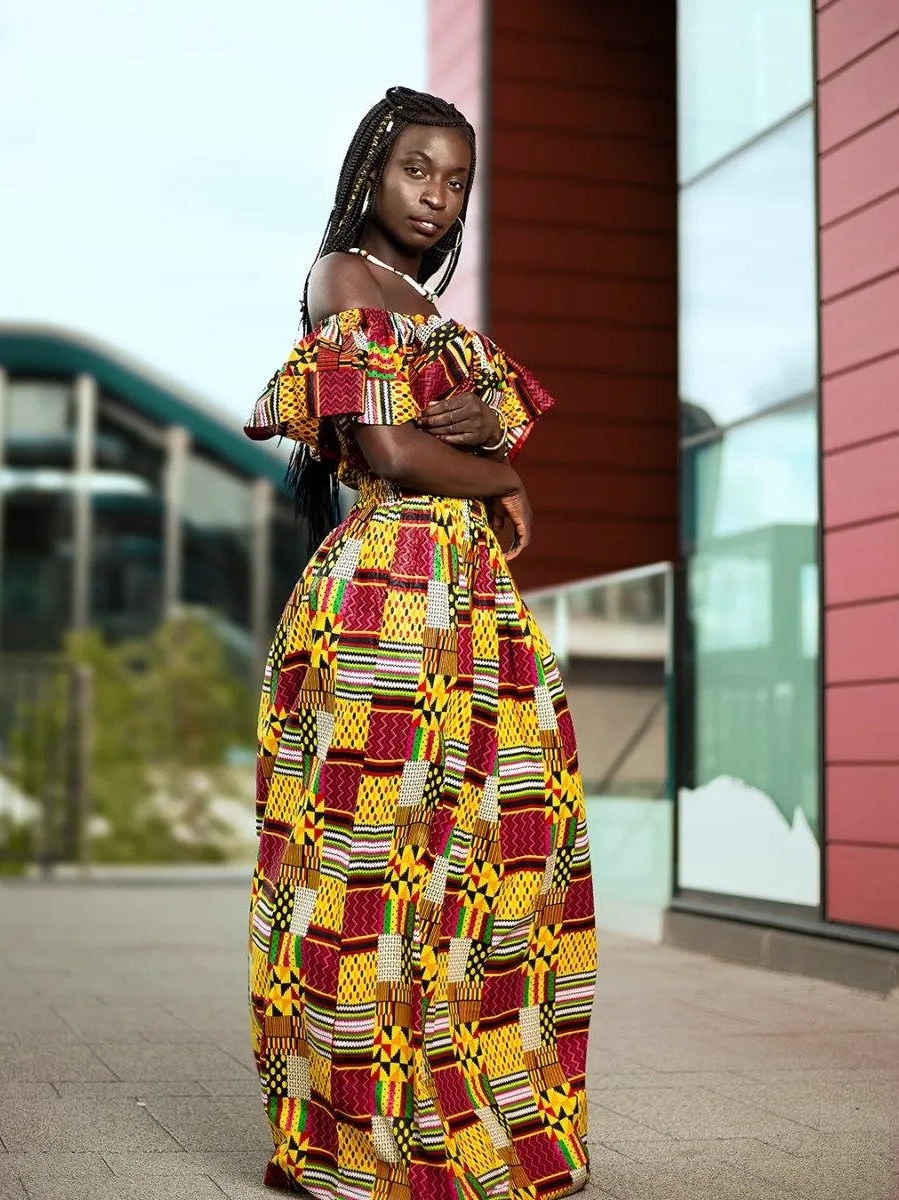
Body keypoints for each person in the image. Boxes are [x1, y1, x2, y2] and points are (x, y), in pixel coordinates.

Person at [244, 86, 595, 1200]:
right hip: (393, 593)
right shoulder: (343, 277)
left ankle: (477, 1110)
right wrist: (501, 469)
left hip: (469, 603)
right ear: (371, 175)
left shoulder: (418, 305)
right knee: (368, 878)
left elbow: (456, 425)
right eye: (417, 172)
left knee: (495, 862)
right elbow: (390, 452)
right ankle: (343, 1143)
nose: (437, 197)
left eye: (456, 179)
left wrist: (491, 441)